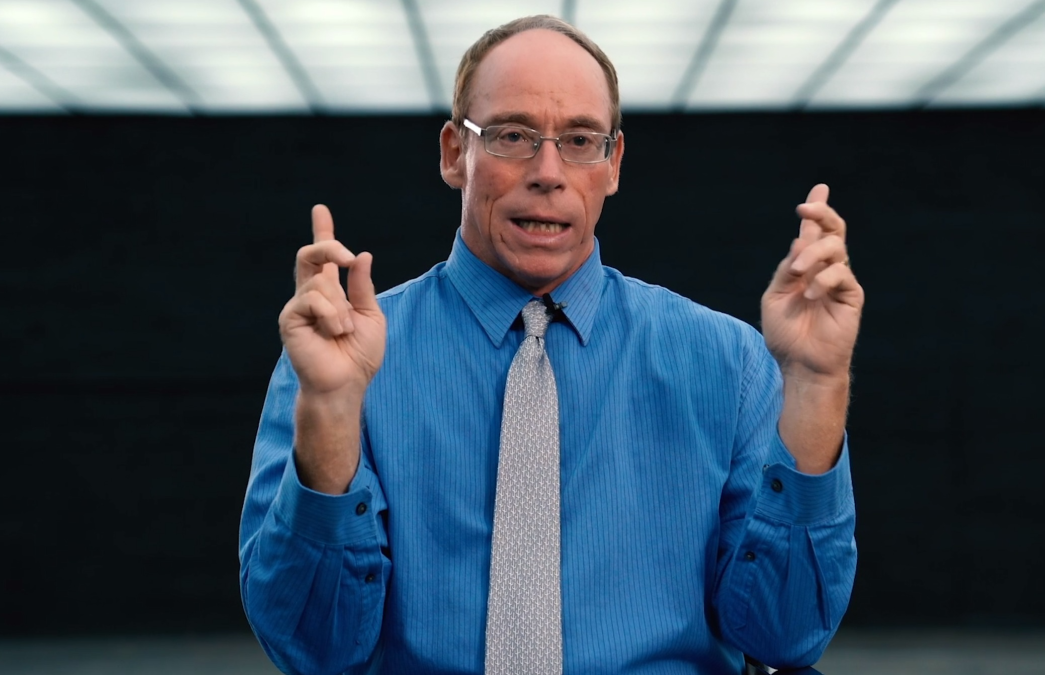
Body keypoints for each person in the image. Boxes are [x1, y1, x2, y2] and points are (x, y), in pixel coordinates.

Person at [239, 14, 861, 675]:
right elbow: (312, 650)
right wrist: (333, 414)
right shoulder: (337, 360)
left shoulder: (729, 363)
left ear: (613, 164)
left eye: (580, 140)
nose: (548, 171)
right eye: (511, 135)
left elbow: (784, 638)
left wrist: (818, 386)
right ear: (455, 153)